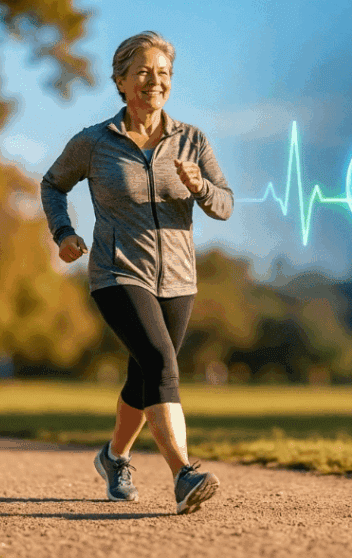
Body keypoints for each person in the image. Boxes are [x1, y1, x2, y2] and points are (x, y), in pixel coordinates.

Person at [39, 31, 233, 514]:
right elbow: (52, 184)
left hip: (179, 279)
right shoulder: (93, 142)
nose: (154, 81)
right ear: (121, 81)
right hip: (117, 272)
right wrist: (64, 232)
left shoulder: (192, 140)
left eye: (163, 73)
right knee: (162, 364)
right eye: (143, 72)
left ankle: (114, 456)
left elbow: (225, 206)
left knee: (146, 374)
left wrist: (201, 187)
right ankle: (184, 474)